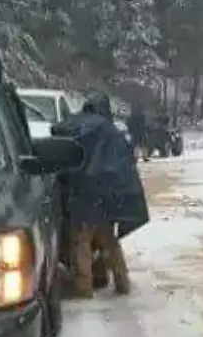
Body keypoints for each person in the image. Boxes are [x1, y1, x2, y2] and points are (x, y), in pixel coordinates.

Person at [51, 92, 149, 297]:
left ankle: (84, 288)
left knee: (81, 242)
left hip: (80, 194)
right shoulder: (110, 131)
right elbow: (126, 164)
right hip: (105, 196)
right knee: (109, 241)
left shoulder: (72, 125)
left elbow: (59, 142)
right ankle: (122, 282)